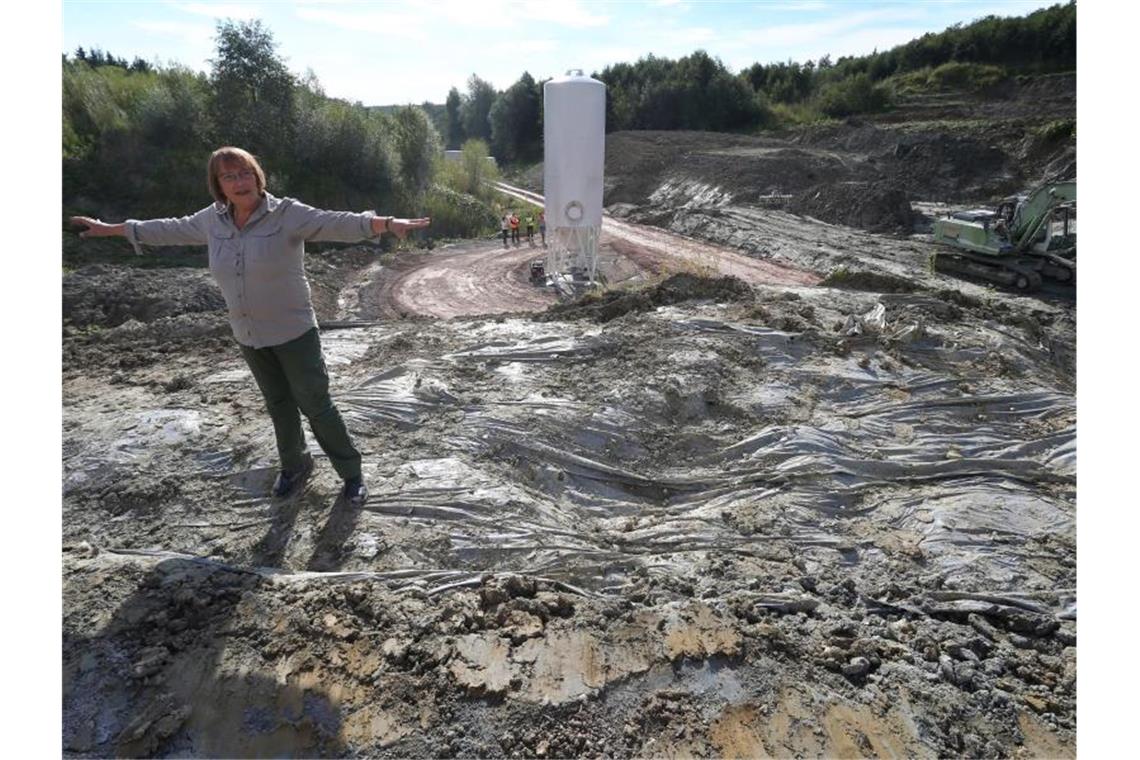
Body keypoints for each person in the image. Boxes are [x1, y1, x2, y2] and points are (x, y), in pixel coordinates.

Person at [71, 146, 431, 506]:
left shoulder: (287, 214)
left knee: (315, 404)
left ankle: (351, 475)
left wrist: (384, 223)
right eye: (229, 176)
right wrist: (111, 230)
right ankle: (295, 464)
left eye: (244, 173)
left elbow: (335, 222)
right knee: (278, 404)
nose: (239, 182)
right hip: (249, 334)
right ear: (219, 185)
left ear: (257, 177)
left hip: (294, 331)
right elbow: (166, 229)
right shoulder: (212, 220)